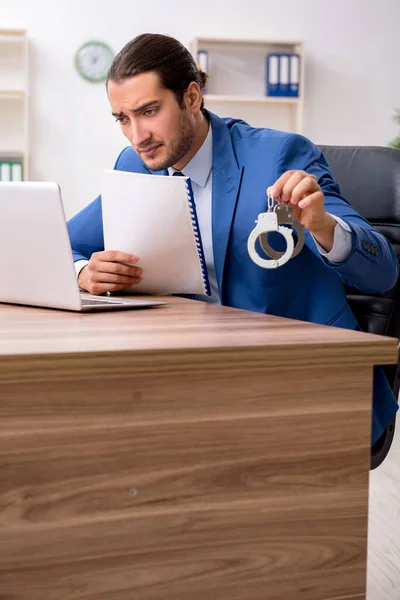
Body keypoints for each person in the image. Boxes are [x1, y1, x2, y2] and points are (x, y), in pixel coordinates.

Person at [67, 33, 399, 446]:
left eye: (149, 111)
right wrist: (84, 272)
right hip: (193, 379)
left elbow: (382, 271)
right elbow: (63, 244)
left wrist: (323, 225)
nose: (137, 136)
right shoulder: (135, 166)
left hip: (308, 383)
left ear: (192, 97)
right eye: (122, 118)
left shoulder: (281, 156)